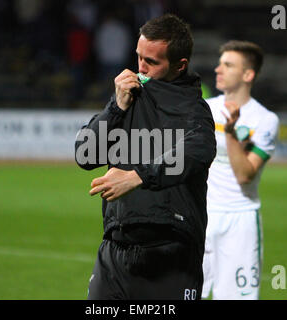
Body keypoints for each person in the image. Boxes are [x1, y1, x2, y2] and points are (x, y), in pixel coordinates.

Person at [75, 14, 216, 300]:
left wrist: (136, 176)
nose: (140, 67)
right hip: (116, 250)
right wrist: (116, 107)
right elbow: (85, 154)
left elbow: (197, 152)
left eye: (151, 62)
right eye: (138, 57)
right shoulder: (128, 97)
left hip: (170, 252)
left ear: (180, 65)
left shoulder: (193, 110)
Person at [201, 40, 279, 300]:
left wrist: (231, 133)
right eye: (220, 63)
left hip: (239, 221)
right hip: (199, 216)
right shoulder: (205, 109)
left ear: (248, 75)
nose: (218, 69)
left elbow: (245, 174)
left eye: (228, 65)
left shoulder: (264, 120)